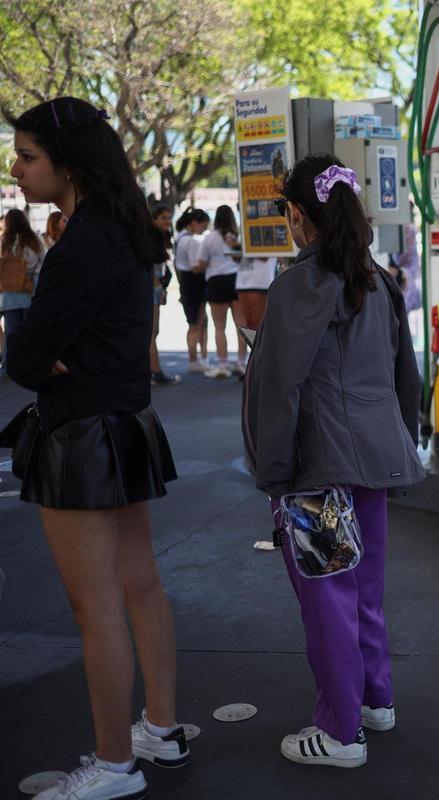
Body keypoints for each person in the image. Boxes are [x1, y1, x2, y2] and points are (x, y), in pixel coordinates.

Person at [5, 96, 185, 800]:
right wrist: (43, 350)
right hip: (124, 426)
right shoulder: (122, 230)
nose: (17, 170)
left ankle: (113, 766)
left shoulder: (82, 244)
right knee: (139, 588)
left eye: (27, 157)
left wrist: (40, 353)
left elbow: (24, 357)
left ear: (68, 164)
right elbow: (43, 347)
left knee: (97, 608)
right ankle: (160, 729)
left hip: (81, 436)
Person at [243, 153, 424, 767]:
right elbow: (407, 378)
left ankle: (341, 732)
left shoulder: (299, 285)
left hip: (314, 466)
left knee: (327, 600)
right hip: (374, 457)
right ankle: (375, 701)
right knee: (364, 591)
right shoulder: (379, 280)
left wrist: (272, 471)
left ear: (297, 214)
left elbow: (280, 387)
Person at [194, 204, 241, 378]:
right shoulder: (236, 236)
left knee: (219, 326)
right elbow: (241, 257)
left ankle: (222, 365)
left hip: (216, 281)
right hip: (236, 280)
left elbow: (202, 263)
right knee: (240, 325)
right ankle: (242, 362)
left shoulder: (209, 238)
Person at [1, 208, 44, 377]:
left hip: (10, 292)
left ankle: (7, 366)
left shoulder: (5, 242)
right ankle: (34, 365)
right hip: (30, 288)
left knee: (11, 330)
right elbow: (43, 260)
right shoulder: (34, 240)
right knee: (32, 330)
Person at [174, 207, 209, 373]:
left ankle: (198, 358)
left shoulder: (181, 238)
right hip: (195, 282)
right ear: (194, 223)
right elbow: (196, 267)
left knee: (197, 322)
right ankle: (195, 359)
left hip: (187, 283)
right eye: (203, 225)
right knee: (196, 322)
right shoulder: (192, 241)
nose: (205, 229)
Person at [149, 204, 180, 386]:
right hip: (152, 286)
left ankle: (153, 370)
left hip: (156, 286)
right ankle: (155, 370)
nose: (167, 221)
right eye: (163, 218)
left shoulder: (161, 237)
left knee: (154, 331)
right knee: (151, 332)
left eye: (169, 218)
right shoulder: (151, 237)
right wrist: (157, 285)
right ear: (154, 219)